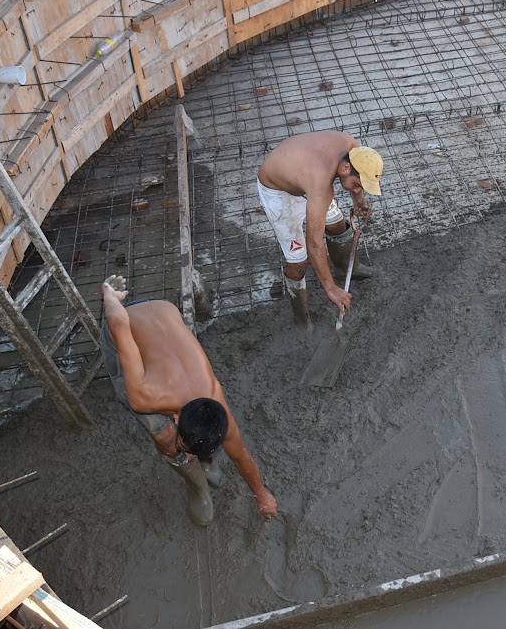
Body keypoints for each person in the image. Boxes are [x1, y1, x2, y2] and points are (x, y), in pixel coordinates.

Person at [100, 274, 277, 526]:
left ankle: (202, 460)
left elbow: (240, 455)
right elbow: (118, 324)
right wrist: (109, 296)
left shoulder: (216, 403)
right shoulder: (145, 395)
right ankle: (197, 486)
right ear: (176, 416)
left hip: (164, 313)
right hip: (125, 319)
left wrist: (261, 494)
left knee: (181, 439)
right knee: (162, 435)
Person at [257, 131, 384, 325]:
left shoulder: (353, 147)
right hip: (278, 190)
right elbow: (315, 242)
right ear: (345, 167)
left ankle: (347, 268)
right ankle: (301, 319)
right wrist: (331, 289)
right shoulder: (321, 185)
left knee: (338, 226)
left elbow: (353, 183)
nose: (357, 189)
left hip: (302, 173)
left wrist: (358, 199)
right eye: (357, 185)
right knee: (298, 264)